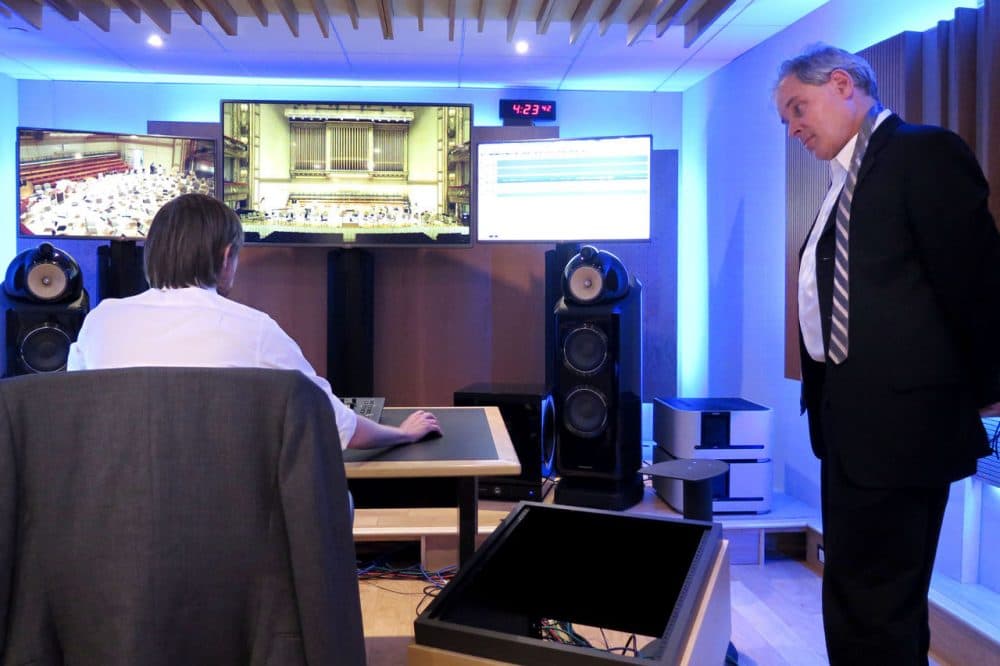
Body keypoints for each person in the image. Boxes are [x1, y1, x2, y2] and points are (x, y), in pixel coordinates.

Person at [775, 44, 1000, 665]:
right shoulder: (842, 183)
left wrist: (980, 396)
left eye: (798, 108)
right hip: (848, 429)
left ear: (842, 84)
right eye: (786, 118)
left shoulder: (922, 154)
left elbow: (977, 286)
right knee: (851, 596)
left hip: (905, 430)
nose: (793, 127)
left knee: (884, 606)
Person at [67, 192, 440, 451]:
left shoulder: (100, 321)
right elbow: (338, 427)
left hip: (118, 523)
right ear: (227, 255)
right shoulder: (254, 329)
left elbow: (79, 421)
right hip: (229, 527)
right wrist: (402, 434)